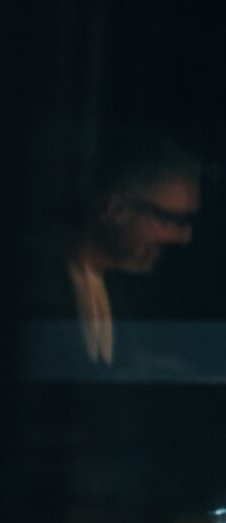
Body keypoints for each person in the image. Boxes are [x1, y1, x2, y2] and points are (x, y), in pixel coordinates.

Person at [45, 131, 203, 370]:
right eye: (169, 219)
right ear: (113, 208)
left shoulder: (117, 296)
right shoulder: (37, 285)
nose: (183, 237)